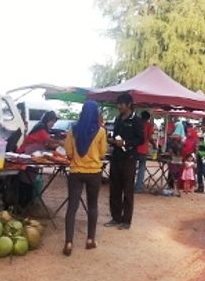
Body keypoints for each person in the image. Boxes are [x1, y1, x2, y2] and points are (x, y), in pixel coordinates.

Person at [63, 100, 107, 256]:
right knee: (93, 205)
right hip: (94, 172)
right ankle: (90, 240)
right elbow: (102, 153)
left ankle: (68, 242)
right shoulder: (101, 131)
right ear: (96, 114)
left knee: (72, 207)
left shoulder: (73, 130)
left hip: (76, 172)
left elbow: (68, 152)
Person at [106, 93, 145, 229]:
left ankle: (126, 221)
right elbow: (115, 135)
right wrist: (112, 141)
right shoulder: (118, 119)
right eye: (118, 104)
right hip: (116, 157)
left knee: (127, 190)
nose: (119, 106)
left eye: (121, 104)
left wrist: (126, 143)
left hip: (129, 159)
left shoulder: (136, 120)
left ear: (129, 104)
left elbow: (141, 139)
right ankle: (115, 218)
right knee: (114, 188)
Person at [134, 111, 154, 193]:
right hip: (143, 149)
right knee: (141, 169)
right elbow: (149, 137)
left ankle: (128, 185)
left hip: (135, 148)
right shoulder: (149, 125)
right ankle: (138, 187)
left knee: (132, 168)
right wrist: (154, 145)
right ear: (148, 118)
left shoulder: (136, 123)